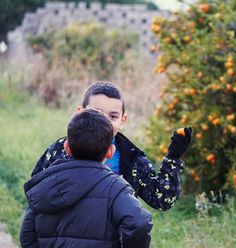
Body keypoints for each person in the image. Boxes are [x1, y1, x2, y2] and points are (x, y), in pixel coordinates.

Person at [20, 108, 153, 248]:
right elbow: (139, 223)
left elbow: (27, 238)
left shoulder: (46, 183)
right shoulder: (116, 188)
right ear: (110, 152)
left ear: (67, 147)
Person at [31, 81, 192, 211]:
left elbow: (161, 200)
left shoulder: (131, 157)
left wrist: (173, 158)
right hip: (65, 237)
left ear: (123, 120)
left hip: (111, 244)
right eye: (97, 112)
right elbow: (36, 191)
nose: (104, 121)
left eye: (113, 116)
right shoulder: (61, 149)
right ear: (80, 113)